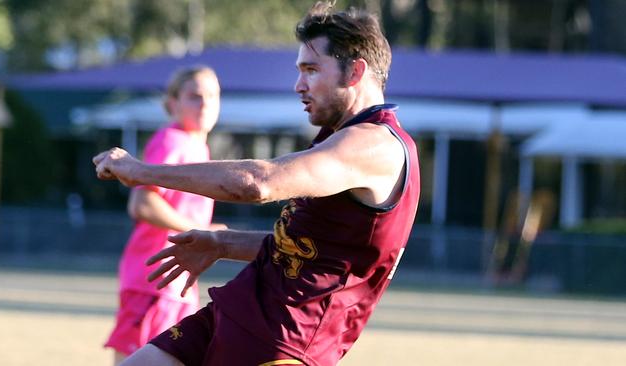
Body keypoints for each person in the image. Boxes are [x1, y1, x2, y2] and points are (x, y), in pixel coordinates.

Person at [93, 1, 420, 365]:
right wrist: (221, 242)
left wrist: (141, 171)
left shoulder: (373, 144)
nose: (299, 85)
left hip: (280, 343)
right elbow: (312, 248)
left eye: (311, 70)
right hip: (237, 312)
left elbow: (259, 182)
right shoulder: (339, 139)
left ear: (355, 72)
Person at [104, 65, 227, 365]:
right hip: (153, 281)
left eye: (212, 95)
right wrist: (203, 233)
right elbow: (142, 204)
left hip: (176, 283)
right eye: (195, 96)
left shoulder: (199, 146)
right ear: (173, 103)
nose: (206, 103)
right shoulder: (173, 140)